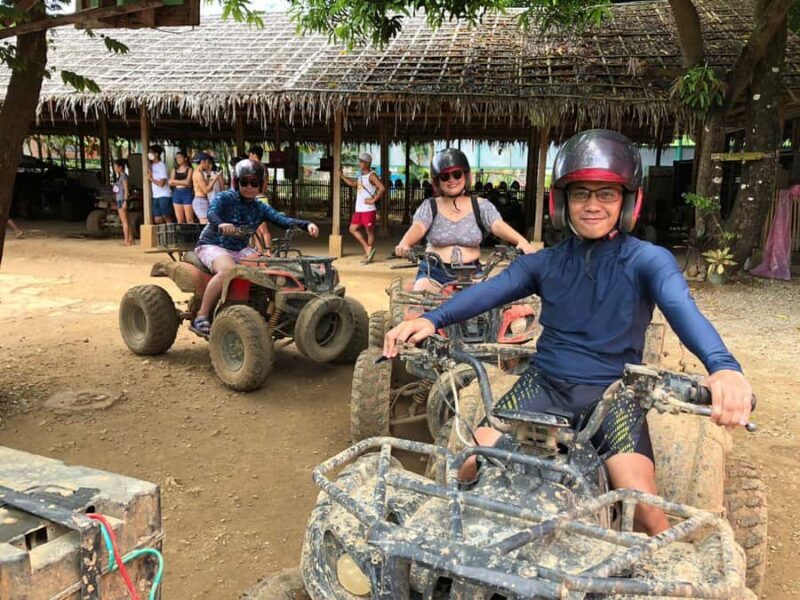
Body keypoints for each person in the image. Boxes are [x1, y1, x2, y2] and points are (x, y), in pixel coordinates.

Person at [384, 129, 754, 536]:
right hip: (543, 387)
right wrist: (431, 319)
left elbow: (684, 311)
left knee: (645, 509)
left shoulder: (650, 261)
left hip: (615, 396)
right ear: (562, 202)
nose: (592, 205)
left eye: (606, 194)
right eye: (581, 194)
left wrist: (724, 368)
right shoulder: (544, 263)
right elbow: (489, 292)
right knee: (469, 464)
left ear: (628, 202)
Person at [191, 159, 320, 335]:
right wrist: (221, 224)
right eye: (244, 182)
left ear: (261, 185)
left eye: (254, 183)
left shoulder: (260, 207)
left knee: (270, 270)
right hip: (214, 245)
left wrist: (307, 224)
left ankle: (271, 310)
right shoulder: (226, 197)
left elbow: (282, 220)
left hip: (241, 249)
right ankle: (202, 314)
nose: (249, 187)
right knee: (227, 270)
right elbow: (212, 212)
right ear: (237, 182)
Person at [394, 148, 535, 292]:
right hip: (433, 273)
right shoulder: (430, 206)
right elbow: (419, 226)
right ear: (437, 181)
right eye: (445, 176)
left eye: (457, 174)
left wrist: (521, 241)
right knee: (419, 304)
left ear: (466, 176)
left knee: (492, 307)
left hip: (472, 273)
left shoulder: (481, 206)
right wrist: (405, 243)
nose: (452, 180)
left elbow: (496, 224)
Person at [341, 152, 385, 264]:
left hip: (368, 209)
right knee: (352, 229)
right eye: (359, 161)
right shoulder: (361, 176)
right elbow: (352, 184)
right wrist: (341, 175)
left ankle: (367, 254)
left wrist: (373, 200)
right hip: (359, 209)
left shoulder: (372, 175)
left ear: (367, 163)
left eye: (361, 162)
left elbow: (382, 188)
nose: (359, 163)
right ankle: (367, 248)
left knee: (369, 231)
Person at [246, 146, 274, 252]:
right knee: (256, 229)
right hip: (257, 198)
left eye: (250, 154)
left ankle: (268, 252)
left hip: (259, 199)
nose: (249, 157)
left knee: (263, 229)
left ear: (254, 155)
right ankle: (260, 251)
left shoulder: (258, 168)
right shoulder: (261, 167)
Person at [191, 151, 223, 225]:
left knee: (209, 225)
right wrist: (216, 177)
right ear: (202, 162)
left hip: (204, 200)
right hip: (200, 201)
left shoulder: (201, 172)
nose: (208, 164)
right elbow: (206, 190)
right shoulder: (198, 174)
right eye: (207, 162)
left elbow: (209, 187)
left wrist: (209, 175)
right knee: (206, 226)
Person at [146, 145, 173, 224]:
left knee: (166, 216)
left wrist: (151, 179)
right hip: (155, 196)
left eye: (151, 152)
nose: (149, 154)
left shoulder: (162, 165)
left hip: (164, 195)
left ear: (156, 154)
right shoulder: (151, 166)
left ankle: (171, 234)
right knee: (157, 219)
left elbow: (162, 183)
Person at [112, 159, 133, 246]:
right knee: (126, 220)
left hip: (122, 199)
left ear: (120, 167)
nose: (114, 169)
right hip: (120, 198)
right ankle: (130, 239)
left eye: (115, 167)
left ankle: (126, 240)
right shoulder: (121, 176)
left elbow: (126, 189)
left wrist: (125, 201)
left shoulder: (123, 176)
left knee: (124, 221)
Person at [169, 151, 194, 223]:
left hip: (187, 193)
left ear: (185, 158)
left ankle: (191, 234)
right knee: (180, 220)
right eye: (176, 158)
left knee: (189, 219)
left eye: (180, 157)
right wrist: (183, 182)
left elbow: (188, 182)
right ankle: (182, 234)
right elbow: (170, 183)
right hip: (176, 193)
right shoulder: (174, 169)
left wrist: (176, 182)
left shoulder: (189, 169)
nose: (178, 159)